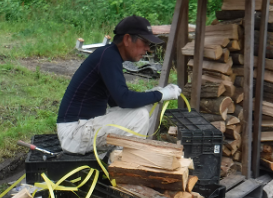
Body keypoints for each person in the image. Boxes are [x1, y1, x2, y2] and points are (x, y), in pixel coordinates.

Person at [57, 15, 181, 154]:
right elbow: (124, 99)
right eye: (145, 42)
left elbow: (117, 101)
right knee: (139, 115)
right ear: (127, 39)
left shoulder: (109, 55)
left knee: (145, 107)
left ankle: (120, 158)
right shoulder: (108, 57)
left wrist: (152, 95)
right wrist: (160, 94)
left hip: (81, 129)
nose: (148, 49)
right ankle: (123, 164)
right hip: (74, 133)